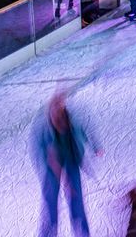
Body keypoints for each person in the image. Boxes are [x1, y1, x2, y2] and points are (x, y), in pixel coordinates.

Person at [31, 90, 100, 237]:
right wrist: (44, 169)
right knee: (50, 204)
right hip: (50, 163)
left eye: (60, 109)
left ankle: (82, 232)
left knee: (76, 199)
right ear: (50, 112)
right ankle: (47, 234)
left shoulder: (73, 119)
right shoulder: (41, 127)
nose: (58, 115)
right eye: (55, 111)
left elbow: (87, 128)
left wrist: (96, 146)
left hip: (71, 160)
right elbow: (36, 150)